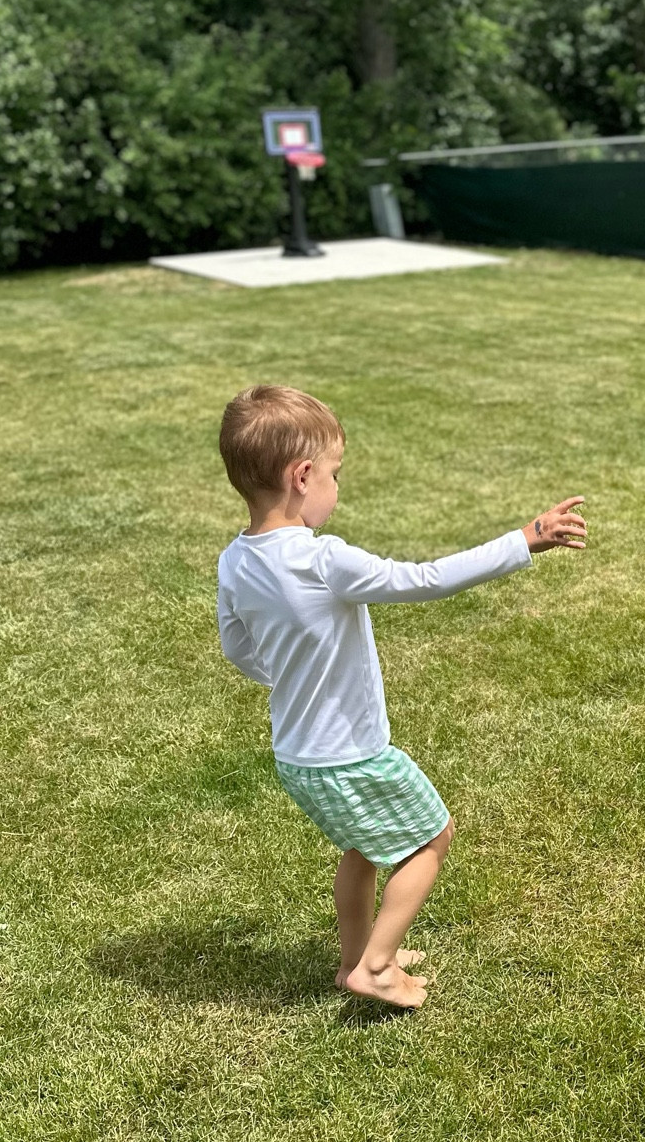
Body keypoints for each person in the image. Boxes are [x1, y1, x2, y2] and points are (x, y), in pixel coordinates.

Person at [216, 384, 586, 1010]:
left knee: (363, 846)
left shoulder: (236, 559)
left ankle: (353, 958)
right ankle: (378, 967)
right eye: (335, 473)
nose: (338, 486)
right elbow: (426, 579)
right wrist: (526, 538)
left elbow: (237, 648)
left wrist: (288, 672)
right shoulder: (320, 559)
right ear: (302, 476)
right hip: (352, 754)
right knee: (429, 840)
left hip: (297, 757)